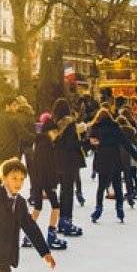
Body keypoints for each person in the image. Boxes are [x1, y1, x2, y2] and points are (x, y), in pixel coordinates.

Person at [25, 113, 68, 252]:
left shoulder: (40, 143)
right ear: (49, 131)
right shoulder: (46, 145)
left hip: (39, 181)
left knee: (38, 207)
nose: (56, 135)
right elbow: (45, 166)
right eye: (54, 132)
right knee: (56, 206)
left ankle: (28, 235)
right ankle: (51, 235)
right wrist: (47, 186)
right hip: (45, 182)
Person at [87, 107, 136, 224]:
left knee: (101, 187)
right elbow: (125, 142)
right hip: (115, 160)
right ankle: (119, 209)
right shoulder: (115, 127)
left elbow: (90, 142)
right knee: (118, 186)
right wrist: (136, 155)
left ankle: (98, 208)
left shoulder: (96, 128)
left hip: (103, 160)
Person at [50, 99, 86, 238]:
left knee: (62, 192)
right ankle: (66, 221)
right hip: (69, 161)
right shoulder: (70, 124)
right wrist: (85, 142)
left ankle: (61, 220)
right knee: (68, 192)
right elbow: (72, 144)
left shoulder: (54, 124)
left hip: (57, 161)